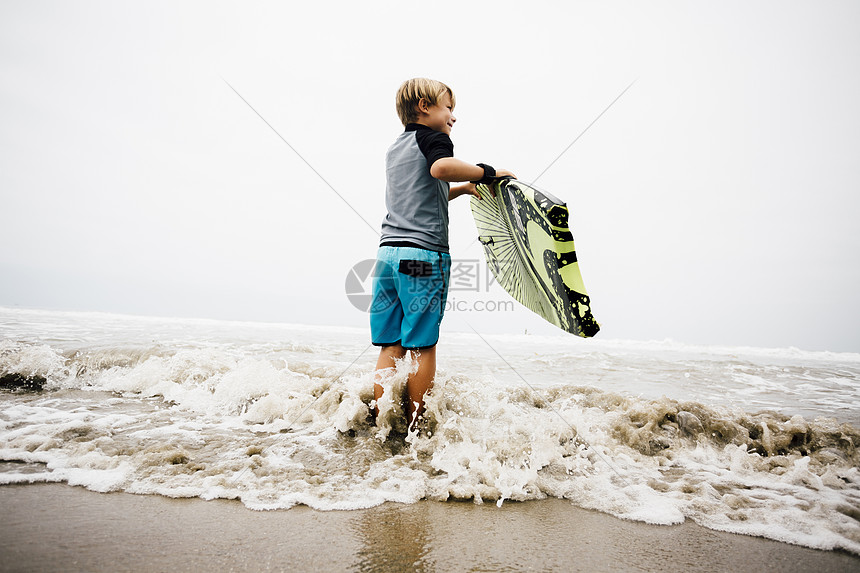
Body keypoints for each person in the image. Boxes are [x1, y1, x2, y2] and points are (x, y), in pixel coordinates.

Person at [370, 78, 515, 431]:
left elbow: (422, 192)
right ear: (425, 107)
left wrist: (463, 189)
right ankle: (418, 429)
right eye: (449, 108)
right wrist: (488, 172)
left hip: (387, 257)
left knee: (391, 346)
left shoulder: (395, 148)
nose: (453, 117)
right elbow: (440, 168)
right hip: (422, 258)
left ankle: (382, 421)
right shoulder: (434, 139)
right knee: (422, 346)